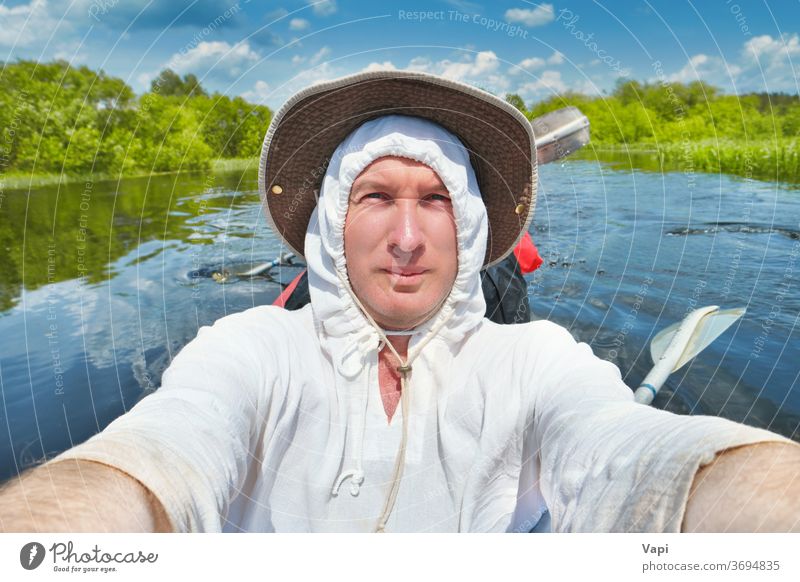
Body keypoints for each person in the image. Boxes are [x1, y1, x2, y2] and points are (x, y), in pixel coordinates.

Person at [1, 71, 798, 533]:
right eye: (376, 197)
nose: (409, 239)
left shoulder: (539, 361)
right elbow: (148, 464)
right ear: (331, 228)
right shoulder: (247, 351)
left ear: (474, 224)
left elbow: (636, 455)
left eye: (439, 201)